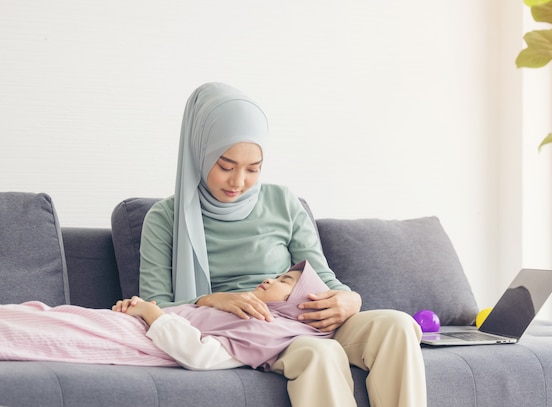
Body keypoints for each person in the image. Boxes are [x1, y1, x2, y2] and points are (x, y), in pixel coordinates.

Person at [130, 82, 427, 407]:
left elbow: (322, 277)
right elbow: (154, 306)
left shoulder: (283, 201)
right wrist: (212, 300)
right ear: (199, 150)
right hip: (251, 329)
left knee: (398, 325)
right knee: (319, 352)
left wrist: (349, 299)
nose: (239, 181)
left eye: (253, 168)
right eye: (225, 166)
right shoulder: (164, 218)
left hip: (305, 314)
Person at [0, 261, 332, 371]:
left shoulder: (270, 333)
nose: (271, 279)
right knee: (44, 314)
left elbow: (200, 354)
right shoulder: (242, 309)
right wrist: (140, 311)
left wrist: (150, 312)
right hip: (132, 324)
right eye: (278, 274)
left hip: (140, 337)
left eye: (285, 282)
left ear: (301, 306)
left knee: (51, 330)